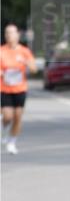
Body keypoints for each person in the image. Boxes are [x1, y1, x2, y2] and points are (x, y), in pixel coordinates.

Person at [1, 23, 37, 156]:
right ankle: (3, 128)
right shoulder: (1, 51)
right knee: (7, 116)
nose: (9, 35)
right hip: (4, 88)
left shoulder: (24, 51)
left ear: (17, 35)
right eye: (7, 33)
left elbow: (34, 69)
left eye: (11, 33)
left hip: (20, 88)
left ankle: (12, 142)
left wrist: (26, 62)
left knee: (18, 116)